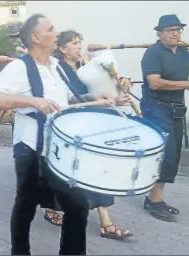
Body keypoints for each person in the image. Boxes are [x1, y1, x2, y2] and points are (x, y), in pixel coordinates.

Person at [0, 14, 121, 255]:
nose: (56, 33)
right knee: (26, 205)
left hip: (60, 149)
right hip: (31, 148)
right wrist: (32, 101)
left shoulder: (56, 66)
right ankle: (20, 251)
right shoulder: (20, 67)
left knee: (78, 205)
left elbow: (64, 99)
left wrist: (92, 98)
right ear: (36, 37)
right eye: (51, 29)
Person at [37, 30, 132, 239]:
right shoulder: (56, 69)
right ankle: (50, 207)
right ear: (62, 48)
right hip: (67, 126)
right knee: (60, 172)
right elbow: (68, 98)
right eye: (74, 44)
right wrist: (96, 98)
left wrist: (123, 80)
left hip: (90, 124)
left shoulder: (85, 65)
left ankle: (106, 223)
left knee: (98, 170)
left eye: (80, 43)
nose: (79, 47)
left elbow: (105, 80)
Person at [140, 14, 188, 223]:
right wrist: (186, 84)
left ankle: (155, 197)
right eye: (170, 30)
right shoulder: (153, 53)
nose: (175, 33)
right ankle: (154, 200)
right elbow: (155, 83)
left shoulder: (184, 51)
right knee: (165, 152)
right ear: (159, 34)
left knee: (175, 152)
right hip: (156, 107)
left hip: (177, 108)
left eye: (178, 30)